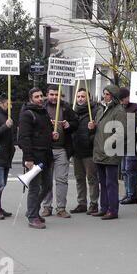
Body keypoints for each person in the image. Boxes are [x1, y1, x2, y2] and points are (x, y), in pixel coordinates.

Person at [18, 88, 55, 229]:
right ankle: (33, 216)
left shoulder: (43, 112)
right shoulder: (27, 114)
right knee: (34, 187)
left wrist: (52, 134)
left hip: (46, 156)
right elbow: (23, 138)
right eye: (36, 96)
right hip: (34, 156)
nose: (40, 98)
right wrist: (28, 158)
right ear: (31, 99)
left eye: (41, 96)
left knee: (47, 186)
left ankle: (32, 210)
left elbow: (44, 133)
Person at [40, 85, 79, 218]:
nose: (54, 97)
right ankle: (46, 207)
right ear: (47, 94)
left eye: (56, 94)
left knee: (62, 180)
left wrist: (69, 125)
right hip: (46, 150)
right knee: (46, 180)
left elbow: (75, 123)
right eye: (51, 94)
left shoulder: (66, 107)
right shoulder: (42, 108)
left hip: (62, 149)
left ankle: (61, 208)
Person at [90, 85, 127, 220]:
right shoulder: (100, 110)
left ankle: (113, 210)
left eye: (107, 94)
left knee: (111, 183)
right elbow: (99, 130)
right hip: (99, 151)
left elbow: (121, 132)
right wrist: (92, 127)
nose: (104, 96)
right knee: (103, 182)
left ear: (113, 96)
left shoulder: (119, 111)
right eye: (104, 93)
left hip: (110, 152)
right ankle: (104, 207)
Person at [70, 88, 99, 215]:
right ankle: (82, 203)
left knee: (91, 178)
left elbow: (100, 131)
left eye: (83, 96)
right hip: (77, 150)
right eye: (78, 97)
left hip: (89, 150)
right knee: (79, 178)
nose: (80, 99)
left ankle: (93, 203)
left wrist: (93, 128)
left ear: (89, 98)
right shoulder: (73, 111)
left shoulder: (95, 111)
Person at [118, 87, 137, 205]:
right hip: (124, 142)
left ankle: (132, 194)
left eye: (123, 100)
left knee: (130, 170)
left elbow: (136, 124)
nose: (121, 102)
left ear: (128, 97)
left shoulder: (136, 107)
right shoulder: (124, 107)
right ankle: (128, 193)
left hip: (132, 143)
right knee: (124, 170)